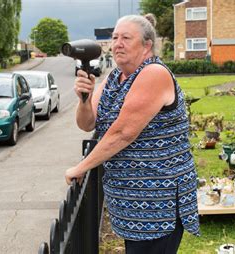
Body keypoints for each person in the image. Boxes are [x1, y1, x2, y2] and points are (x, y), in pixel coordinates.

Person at [65, 14, 199, 253]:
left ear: (146, 45)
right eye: (115, 37)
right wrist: (84, 99)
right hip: (131, 205)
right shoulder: (114, 78)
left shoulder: (154, 73)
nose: (117, 43)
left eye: (126, 38)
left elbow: (123, 133)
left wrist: (82, 166)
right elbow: (86, 124)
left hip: (158, 204)